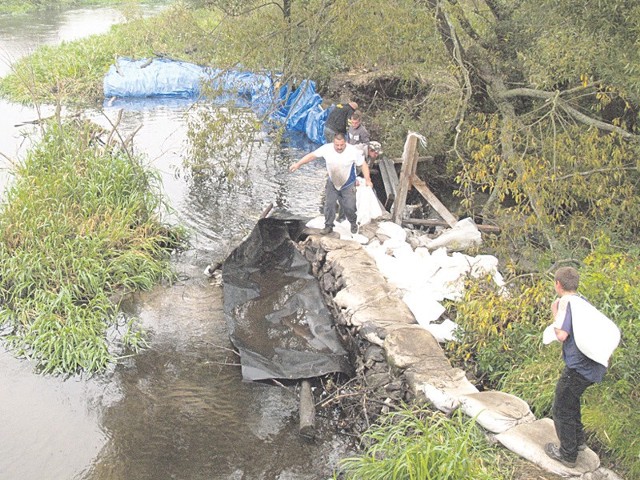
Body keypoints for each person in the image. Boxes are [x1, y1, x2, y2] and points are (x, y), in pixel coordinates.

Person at [544, 266, 616, 468]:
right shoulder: (582, 302)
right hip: (594, 366)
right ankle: (579, 442)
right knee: (571, 400)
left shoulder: (566, 303)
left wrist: (555, 312)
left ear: (558, 284)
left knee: (561, 407)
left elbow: (561, 335)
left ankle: (567, 454)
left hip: (579, 368)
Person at [289, 133, 372, 235]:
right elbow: (312, 156)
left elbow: (363, 164)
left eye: (342, 145)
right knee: (329, 204)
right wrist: (298, 164)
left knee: (349, 207)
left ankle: (353, 222)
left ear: (345, 143)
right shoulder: (326, 149)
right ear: (333, 143)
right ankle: (328, 225)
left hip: (348, 184)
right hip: (332, 182)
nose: (339, 147)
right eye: (337, 145)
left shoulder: (353, 151)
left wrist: (368, 179)